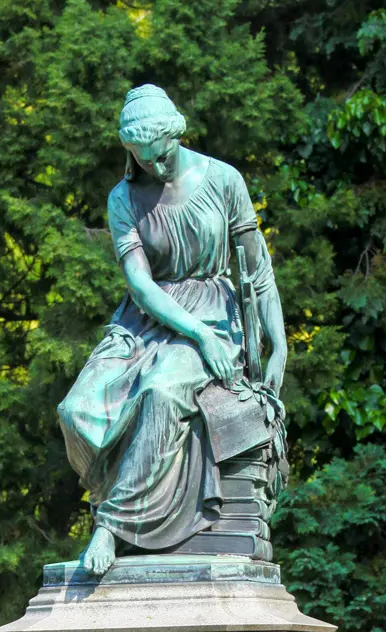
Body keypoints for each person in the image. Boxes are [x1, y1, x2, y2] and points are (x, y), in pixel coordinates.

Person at [58, 84, 288, 576]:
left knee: (163, 390)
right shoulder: (124, 198)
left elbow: (257, 269)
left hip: (214, 316)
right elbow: (141, 286)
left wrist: (278, 343)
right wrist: (195, 334)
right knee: (77, 409)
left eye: (162, 156)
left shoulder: (224, 180)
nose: (157, 169)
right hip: (147, 320)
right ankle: (118, 498)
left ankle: (113, 526)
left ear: (176, 137)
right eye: (145, 161)